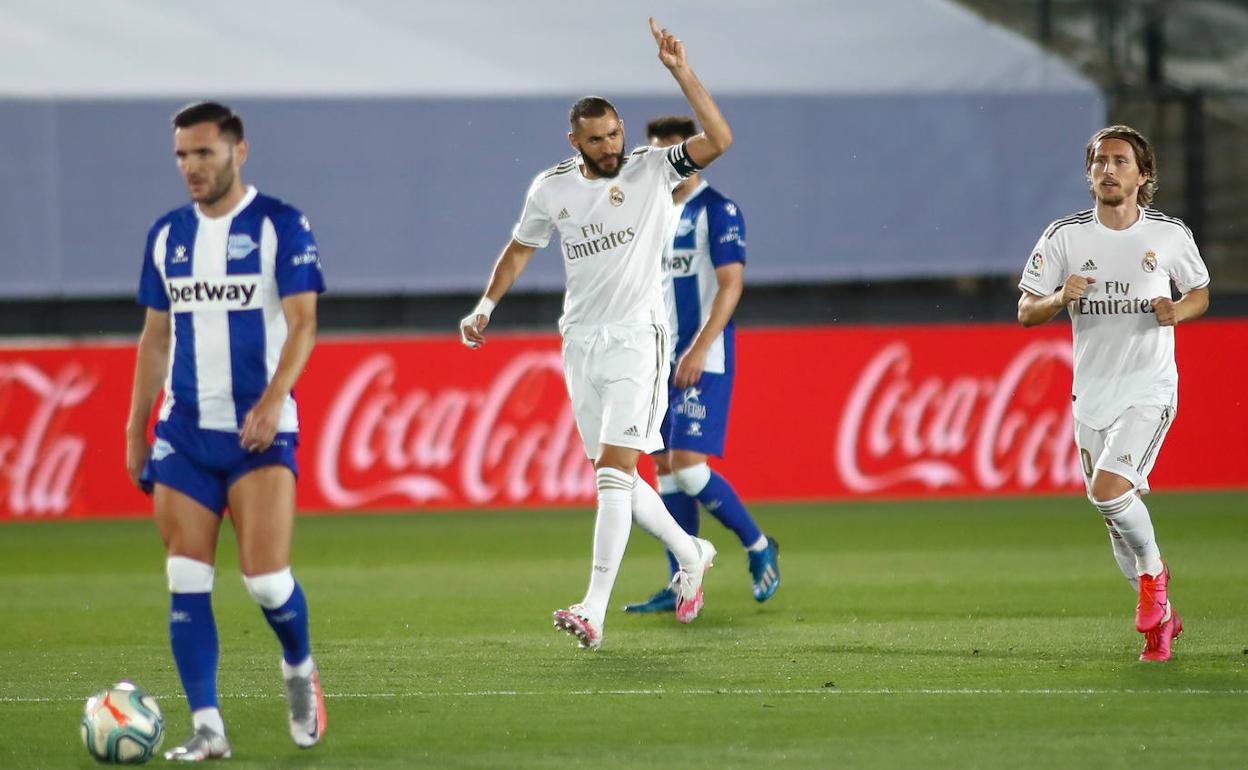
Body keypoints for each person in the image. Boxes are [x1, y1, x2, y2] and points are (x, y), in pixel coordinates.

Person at [460, 18, 731, 650]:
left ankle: (594, 608)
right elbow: (520, 248)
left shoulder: (652, 169)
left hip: (640, 336)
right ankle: (692, 552)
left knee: (615, 476)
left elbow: (719, 137)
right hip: (580, 342)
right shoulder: (551, 188)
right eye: (597, 139)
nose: (610, 147)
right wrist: (484, 306)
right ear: (574, 140)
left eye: (614, 134)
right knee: (619, 479)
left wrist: (680, 71)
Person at [125, 101, 328, 760]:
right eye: (182, 154)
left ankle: (299, 666)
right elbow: (155, 338)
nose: (191, 166)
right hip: (184, 431)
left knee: (266, 582)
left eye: (204, 153)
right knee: (185, 578)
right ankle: (207, 726)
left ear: (239, 153)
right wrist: (136, 428)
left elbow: (303, 325)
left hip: (259, 433)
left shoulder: (280, 226)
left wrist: (272, 402)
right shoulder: (166, 236)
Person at [1017, 124, 1209, 662]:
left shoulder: (1168, 235)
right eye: (1100, 161)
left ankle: (1155, 579)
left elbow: (1200, 291)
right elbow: (1025, 311)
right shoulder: (1065, 238)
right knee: (1114, 521)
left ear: (1143, 175)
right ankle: (1161, 623)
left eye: (1121, 161)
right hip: (1092, 397)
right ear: (1089, 173)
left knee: (1108, 490)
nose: (1108, 169)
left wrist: (1179, 310)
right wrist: (1059, 295)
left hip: (1150, 388)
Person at [623, 115, 779, 614]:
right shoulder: (649, 212)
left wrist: (697, 347)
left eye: (676, 152)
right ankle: (681, 585)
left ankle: (758, 546)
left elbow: (731, 283)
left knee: (689, 470)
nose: (669, 164)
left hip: (703, 355)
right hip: (656, 359)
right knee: (665, 470)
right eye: (657, 155)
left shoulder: (717, 209)